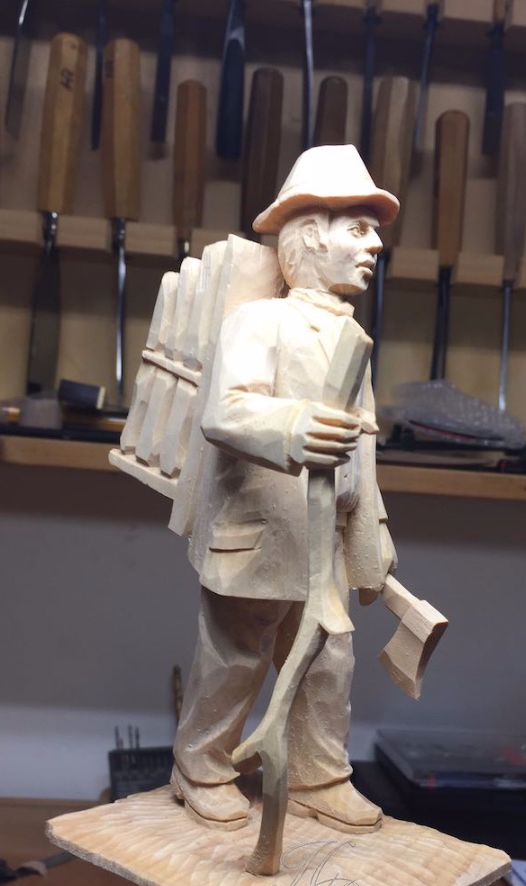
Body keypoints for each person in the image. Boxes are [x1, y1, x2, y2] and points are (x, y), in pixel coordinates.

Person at [171, 145, 399, 835]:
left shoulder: (354, 337)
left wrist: (373, 531)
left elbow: (363, 443)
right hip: (258, 530)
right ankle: (200, 766)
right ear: (311, 236)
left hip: (323, 539)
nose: (375, 244)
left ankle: (318, 775)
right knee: (236, 655)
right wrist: (296, 426)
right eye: (358, 228)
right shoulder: (259, 322)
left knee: (329, 659)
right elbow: (225, 411)